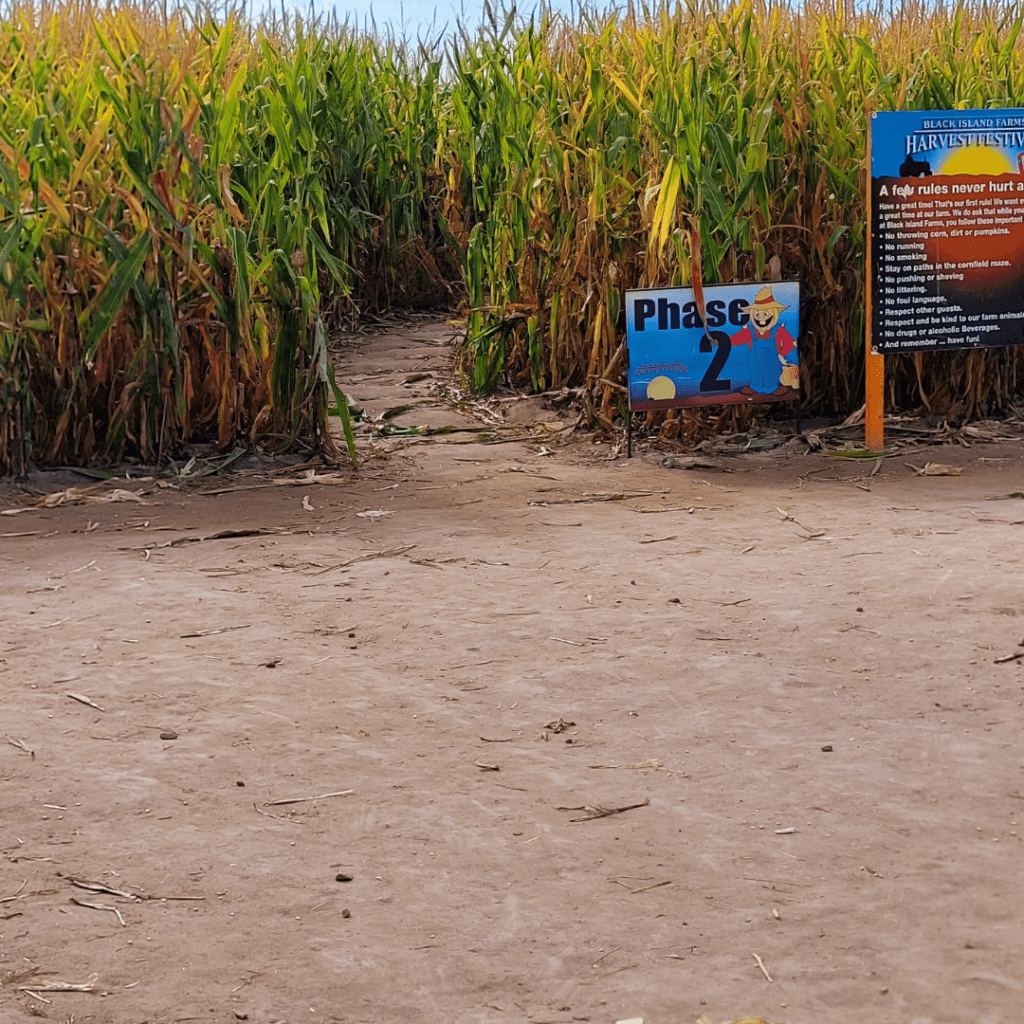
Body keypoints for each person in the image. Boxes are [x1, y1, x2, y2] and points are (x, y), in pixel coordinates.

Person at [729, 286, 798, 396]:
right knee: (756, 375)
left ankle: (774, 388)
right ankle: (754, 387)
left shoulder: (778, 330)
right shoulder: (750, 331)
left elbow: (790, 343)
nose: (761, 318)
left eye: (765, 314)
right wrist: (722, 341)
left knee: (771, 378)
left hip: (772, 372)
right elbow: (736, 339)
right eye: (757, 314)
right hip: (755, 372)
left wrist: (781, 353)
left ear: (773, 314)